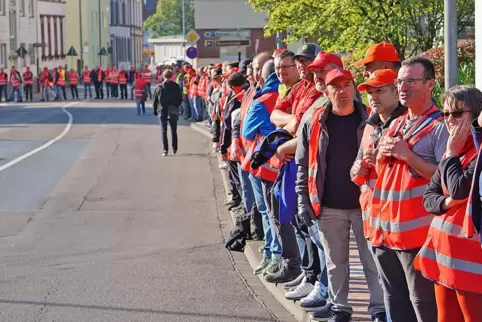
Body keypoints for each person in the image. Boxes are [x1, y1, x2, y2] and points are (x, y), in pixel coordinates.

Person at [296, 68, 386, 322]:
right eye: (335, 86)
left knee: (372, 262)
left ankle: (378, 308)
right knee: (336, 264)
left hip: (365, 206)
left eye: (347, 85)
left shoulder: (372, 119)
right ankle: (340, 308)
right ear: (325, 90)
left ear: (354, 88)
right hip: (328, 206)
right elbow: (304, 165)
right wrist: (303, 200)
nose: (342, 91)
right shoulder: (313, 122)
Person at [369, 57, 448, 322]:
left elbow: (447, 180)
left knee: (422, 304)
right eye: (400, 81)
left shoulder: (440, 128)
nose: (403, 86)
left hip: (418, 237)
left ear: (429, 84)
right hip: (385, 233)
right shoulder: (395, 124)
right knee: (395, 302)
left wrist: (409, 157)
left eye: (410, 81)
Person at [416, 85, 482, 322]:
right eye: (446, 114)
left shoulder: (476, 153)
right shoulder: (451, 153)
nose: (450, 120)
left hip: (471, 262)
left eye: (457, 113)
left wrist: (452, 152)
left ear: (475, 115)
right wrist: (448, 203)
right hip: (444, 257)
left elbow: (459, 189)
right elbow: (429, 199)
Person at [153, 69, 183, 156]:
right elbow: (180, 99)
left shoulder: (160, 87)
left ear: (163, 76)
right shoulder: (176, 86)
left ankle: (165, 150)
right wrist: (176, 105)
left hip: (162, 110)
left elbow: (155, 100)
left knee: (163, 130)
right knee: (174, 130)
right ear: (172, 76)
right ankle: (174, 148)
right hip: (173, 110)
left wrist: (155, 110)